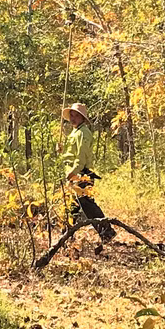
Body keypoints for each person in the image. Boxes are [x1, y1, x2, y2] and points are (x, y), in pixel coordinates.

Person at [61, 102, 116, 245]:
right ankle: (66, 236)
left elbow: (81, 158)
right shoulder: (74, 132)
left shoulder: (84, 133)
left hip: (82, 174)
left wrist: (72, 173)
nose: (73, 118)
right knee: (71, 206)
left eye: (76, 115)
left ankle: (107, 232)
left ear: (82, 118)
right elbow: (71, 154)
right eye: (71, 115)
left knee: (87, 204)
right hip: (73, 173)